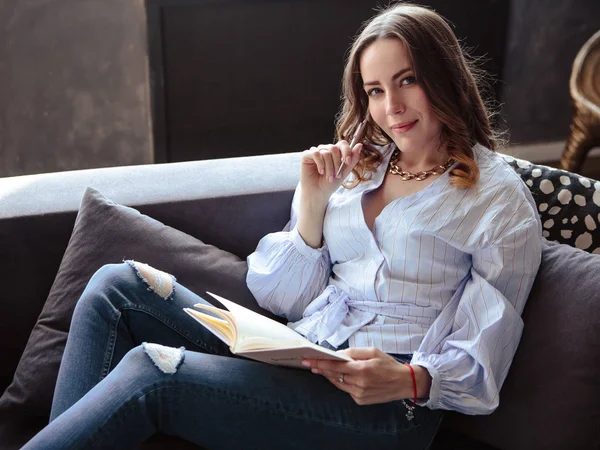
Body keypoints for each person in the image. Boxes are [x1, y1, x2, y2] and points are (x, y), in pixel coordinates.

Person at [23, 3, 542, 449]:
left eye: (407, 80)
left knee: (153, 371)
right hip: (304, 352)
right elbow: (283, 299)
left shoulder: (497, 200)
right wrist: (313, 206)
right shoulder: (360, 169)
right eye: (375, 90)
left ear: (445, 74)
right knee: (116, 287)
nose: (392, 108)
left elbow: (483, 356)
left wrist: (410, 380)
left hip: (387, 406)